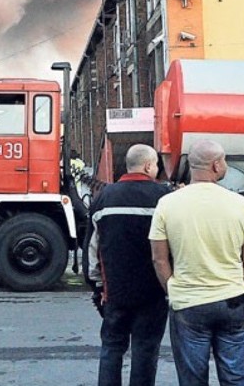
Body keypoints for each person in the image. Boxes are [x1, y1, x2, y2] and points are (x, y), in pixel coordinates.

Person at [149, 139, 244, 386]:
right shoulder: (240, 204)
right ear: (216, 164)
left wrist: (173, 290)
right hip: (232, 299)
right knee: (236, 376)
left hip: (189, 302)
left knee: (192, 378)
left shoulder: (168, 203)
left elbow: (159, 257)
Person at [85, 144, 172, 386]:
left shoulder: (104, 198)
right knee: (145, 351)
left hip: (115, 292)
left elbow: (92, 250)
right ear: (147, 166)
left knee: (112, 348)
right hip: (153, 293)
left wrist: (98, 287)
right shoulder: (163, 198)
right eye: (155, 165)